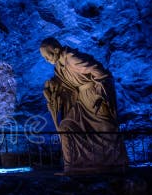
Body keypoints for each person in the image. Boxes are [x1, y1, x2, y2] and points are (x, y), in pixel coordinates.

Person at [40, 38, 127, 173]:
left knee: (105, 128)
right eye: (44, 58)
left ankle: (115, 162)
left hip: (93, 96)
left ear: (56, 50)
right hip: (80, 100)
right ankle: (74, 165)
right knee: (66, 127)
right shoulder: (59, 68)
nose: (46, 60)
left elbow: (98, 70)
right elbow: (65, 85)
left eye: (47, 55)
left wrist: (101, 93)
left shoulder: (72, 58)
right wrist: (53, 86)